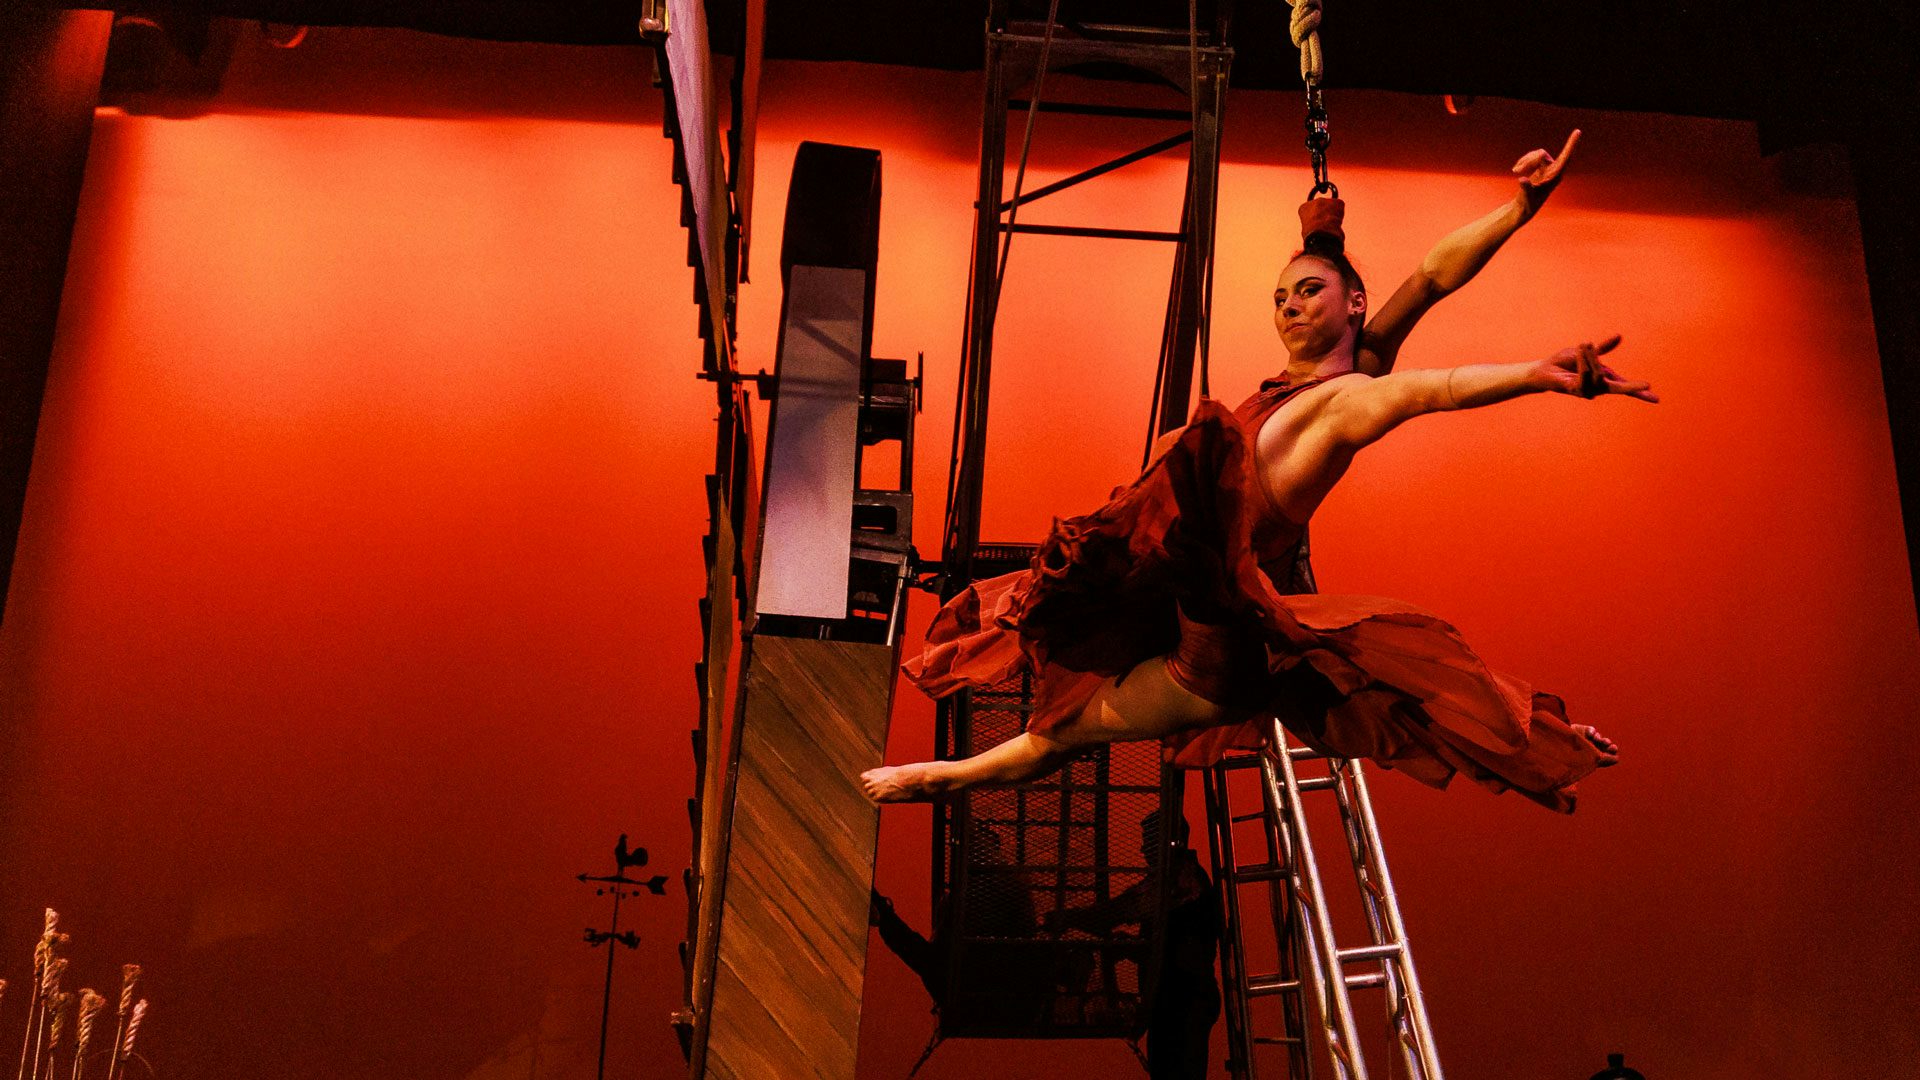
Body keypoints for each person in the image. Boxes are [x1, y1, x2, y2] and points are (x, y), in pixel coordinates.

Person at [862, 132, 1641, 812]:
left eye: (1310, 291)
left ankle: (942, 780)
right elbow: (1431, 279)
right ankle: (946, 775)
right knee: (1076, 651)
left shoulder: (1346, 401)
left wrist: (1536, 373)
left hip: (1213, 647)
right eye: (1280, 296)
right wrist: (1515, 211)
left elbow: (1428, 391)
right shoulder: (1334, 367)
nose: (1288, 306)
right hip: (1185, 592)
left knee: (1062, 732)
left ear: (1355, 303)